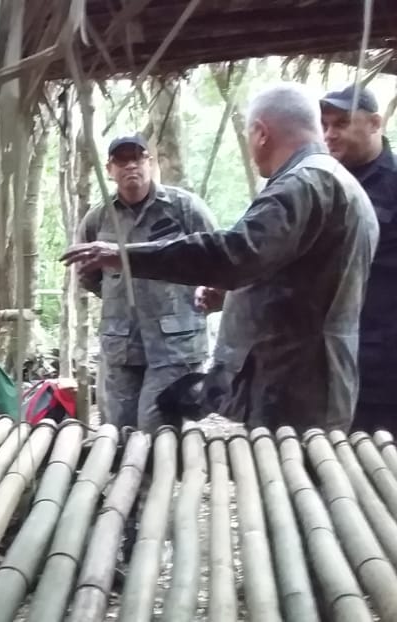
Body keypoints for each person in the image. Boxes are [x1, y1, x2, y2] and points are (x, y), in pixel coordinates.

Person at [64, 83, 378, 431]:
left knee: (290, 479)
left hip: (297, 385)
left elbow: (232, 253)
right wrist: (233, 294)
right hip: (300, 380)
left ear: (261, 133)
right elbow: (290, 275)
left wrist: (123, 256)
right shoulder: (333, 181)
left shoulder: (303, 184)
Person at [76, 135, 215, 430]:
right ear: (110, 169)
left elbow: (218, 257)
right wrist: (122, 296)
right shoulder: (98, 219)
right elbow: (87, 275)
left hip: (176, 344)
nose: (131, 166)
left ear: (149, 163)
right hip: (122, 343)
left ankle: (161, 477)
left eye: (137, 158)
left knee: (157, 429)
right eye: (121, 160)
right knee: (119, 430)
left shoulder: (185, 209)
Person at [320, 85, 397, 433]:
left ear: (374, 123)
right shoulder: (326, 184)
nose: (330, 134)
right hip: (331, 354)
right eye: (325, 125)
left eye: (342, 123)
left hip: (383, 361)